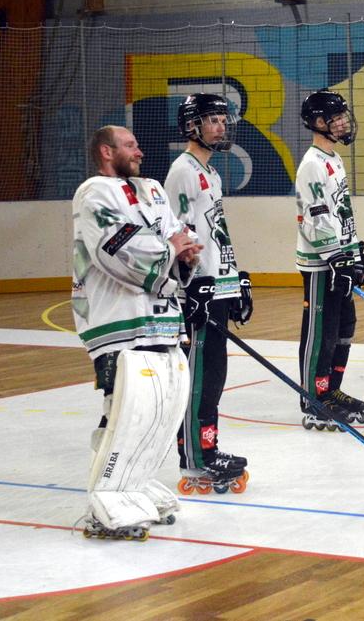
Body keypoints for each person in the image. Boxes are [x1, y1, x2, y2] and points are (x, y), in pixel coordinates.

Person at [72, 125, 203, 539]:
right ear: (106, 151)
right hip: (117, 316)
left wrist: (184, 251)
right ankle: (107, 495)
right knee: (127, 405)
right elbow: (116, 245)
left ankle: (136, 481)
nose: (140, 151)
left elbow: (179, 232)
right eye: (130, 145)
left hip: (160, 315)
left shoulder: (153, 190)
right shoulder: (93, 193)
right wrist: (172, 247)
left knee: (162, 406)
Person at [165, 93, 250, 492]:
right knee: (199, 377)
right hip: (197, 293)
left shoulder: (211, 173)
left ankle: (208, 447)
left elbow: (214, 234)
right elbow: (177, 234)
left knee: (215, 375)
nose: (221, 126)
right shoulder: (183, 172)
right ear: (191, 126)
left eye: (222, 119)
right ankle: (195, 459)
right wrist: (191, 284)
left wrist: (234, 281)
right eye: (212, 120)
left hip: (216, 289)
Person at [295, 89, 364, 430]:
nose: (342, 122)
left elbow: (340, 211)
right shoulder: (312, 164)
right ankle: (313, 397)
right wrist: (336, 257)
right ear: (318, 122)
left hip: (340, 259)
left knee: (343, 328)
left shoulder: (334, 159)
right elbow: (316, 215)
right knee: (320, 334)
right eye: (335, 117)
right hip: (321, 264)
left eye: (342, 116)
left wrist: (355, 252)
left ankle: (330, 389)